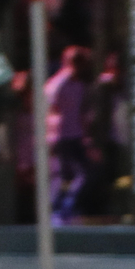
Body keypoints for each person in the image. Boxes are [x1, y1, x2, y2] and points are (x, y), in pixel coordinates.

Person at [45, 46, 96, 224]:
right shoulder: (57, 84)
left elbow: (82, 113)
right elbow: (51, 109)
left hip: (76, 134)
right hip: (61, 136)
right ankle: (59, 210)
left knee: (82, 173)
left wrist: (86, 137)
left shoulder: (80, 85)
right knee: (62, 174)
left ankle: (68, 206)